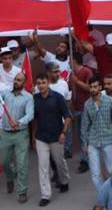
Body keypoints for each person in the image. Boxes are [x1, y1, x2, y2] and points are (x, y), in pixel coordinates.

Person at [32, 73, 72, 206]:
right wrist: (33, 135)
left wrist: (64, 133)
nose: (41, 85)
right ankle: (46, 195)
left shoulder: (58, 98)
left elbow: (67, 116)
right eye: (39, 83)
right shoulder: (35, 99)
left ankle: (64, 181)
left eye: (43, 82)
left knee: (59, 162)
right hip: (41, 138)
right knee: (43, 166)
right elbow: (34, 120)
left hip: (57, 137)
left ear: (48, 83)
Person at [80, 75, 112, 196]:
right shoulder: (87, 104)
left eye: (95, 86)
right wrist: (84, 144)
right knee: (95, 173)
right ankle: (103, 197)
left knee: (111, 170)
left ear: (100, 87)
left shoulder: (109, 102)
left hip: (108, 139)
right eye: (91, 87)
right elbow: (84, 125)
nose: (92, 89)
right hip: (93, 141)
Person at [0, 72, 34, 203]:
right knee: (3, 162)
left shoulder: (28, 97)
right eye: (15, 79)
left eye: (19, 80)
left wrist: (19, 122)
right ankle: (9, 177)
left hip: (21, 134)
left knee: (22, 164)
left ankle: (22, 191)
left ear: (24, 83)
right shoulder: (6, 95)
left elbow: (30, 114)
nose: (16, 82)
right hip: (6, 133)